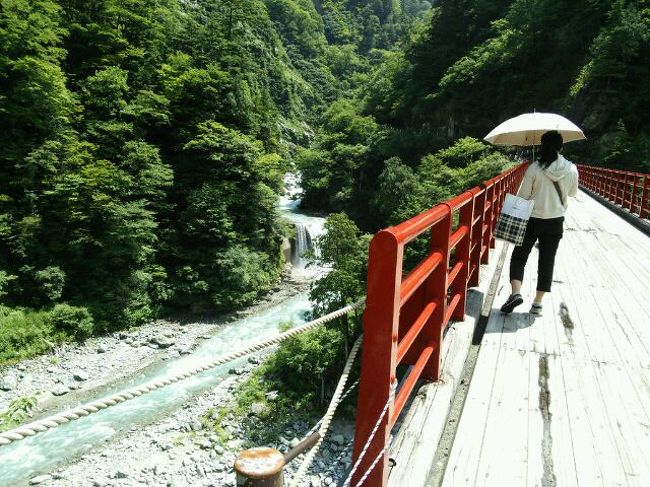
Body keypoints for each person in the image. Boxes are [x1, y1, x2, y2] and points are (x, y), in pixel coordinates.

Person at [500, 130, 579, 315]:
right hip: (555, 221)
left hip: (532, 220)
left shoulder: (534, 168)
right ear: (561, 147)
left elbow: (523, 196)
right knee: (547, 261)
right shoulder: (571, 168)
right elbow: (573, 193)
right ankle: (537, 303)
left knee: (519, 257)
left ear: (542, 146)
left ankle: (516, 293)